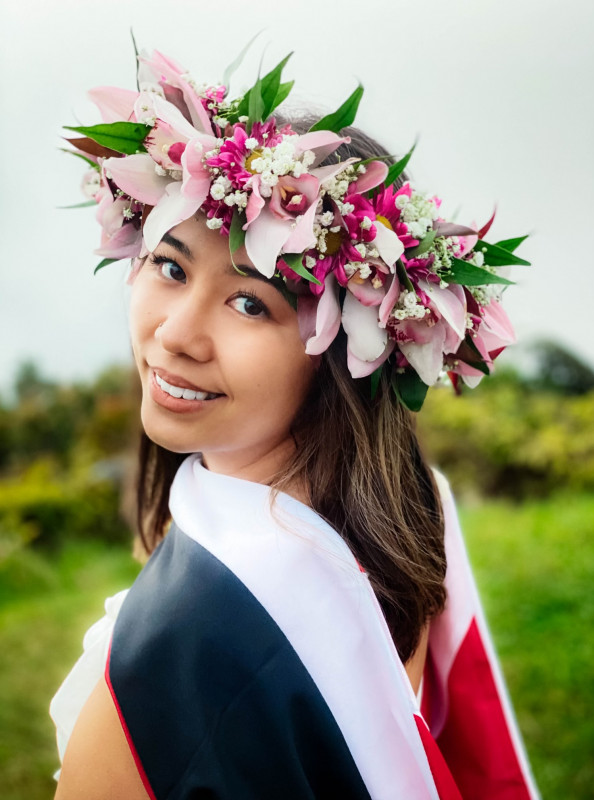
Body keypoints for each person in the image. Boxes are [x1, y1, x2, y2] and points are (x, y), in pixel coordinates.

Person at [50, 46, 539, 799]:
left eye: (250, 303)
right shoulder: (412, 509)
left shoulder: (178, 642)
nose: (176, 334)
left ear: (347, 351)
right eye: (171, 266)